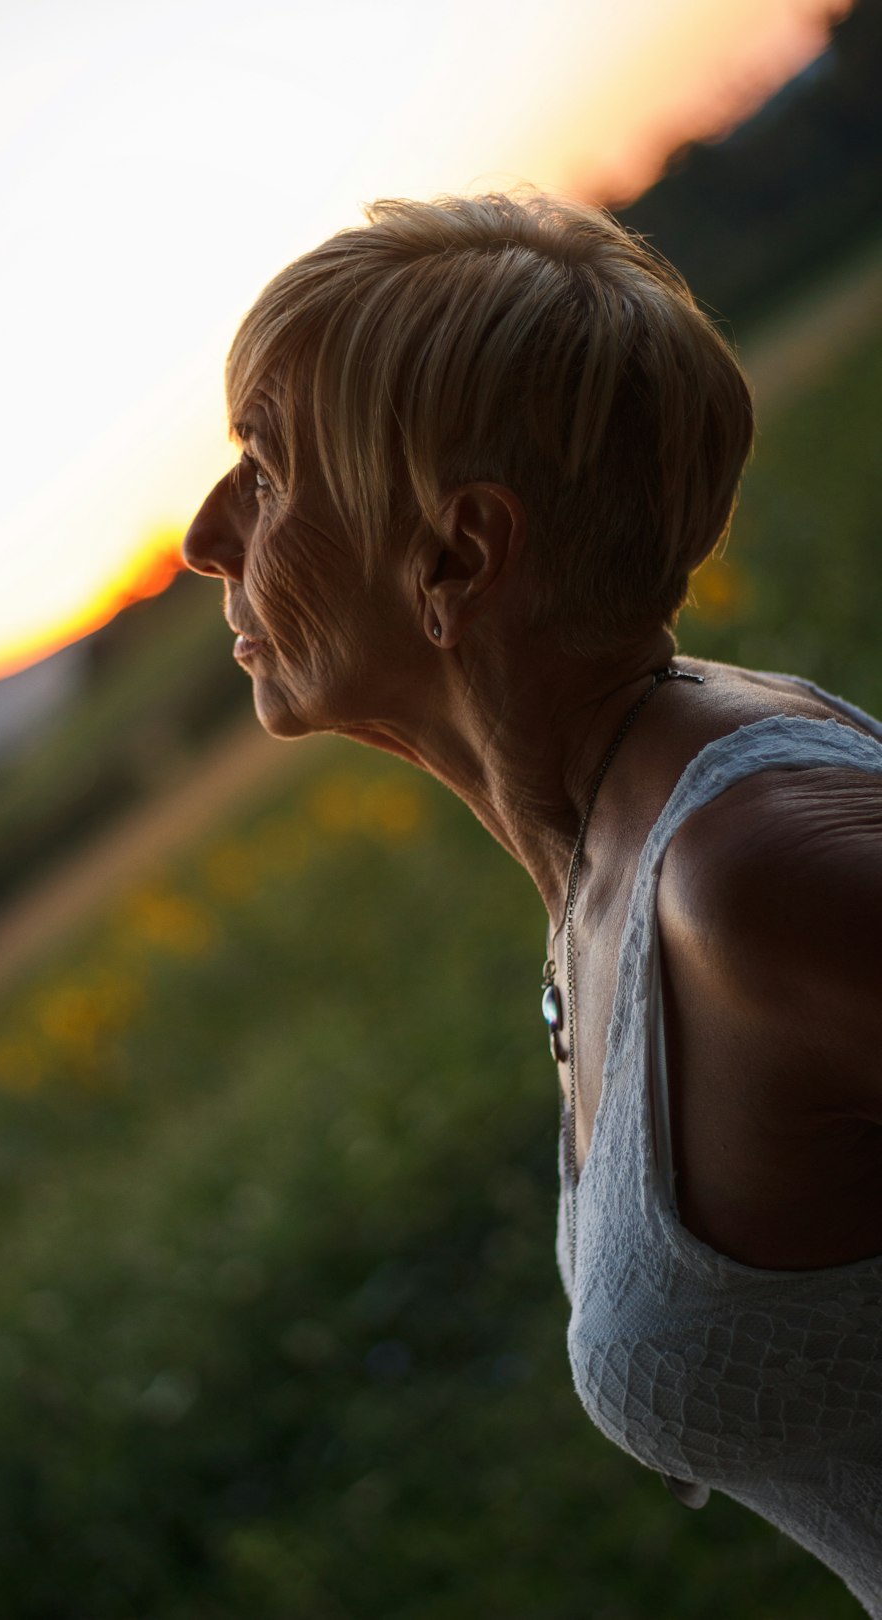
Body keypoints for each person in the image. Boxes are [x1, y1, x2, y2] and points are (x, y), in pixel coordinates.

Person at [181, 189, 882, 1613]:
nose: (206, 534)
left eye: (267, 468)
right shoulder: (619, 831)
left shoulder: (751, 875)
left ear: (457, 555)